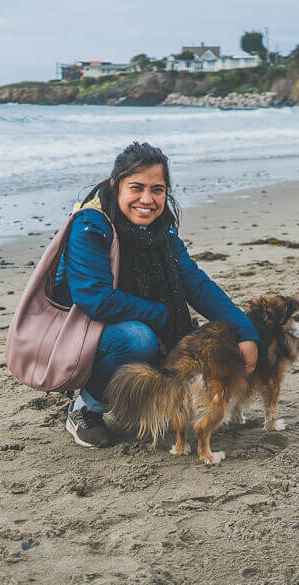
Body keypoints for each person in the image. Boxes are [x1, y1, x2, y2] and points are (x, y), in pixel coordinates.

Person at [52, 141, 259, 448]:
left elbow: (196, 284)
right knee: (139, 339)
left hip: (132, 322)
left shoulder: (162, 231)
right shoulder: (90, 225)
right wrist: (162, 315)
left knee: (222, 335)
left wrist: (246, 332)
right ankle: (85, 408)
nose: (147, 199)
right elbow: (94, 298)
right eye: (136, 188)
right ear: (116, 185)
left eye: (157, 190)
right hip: (78, 335)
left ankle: (136, 399)